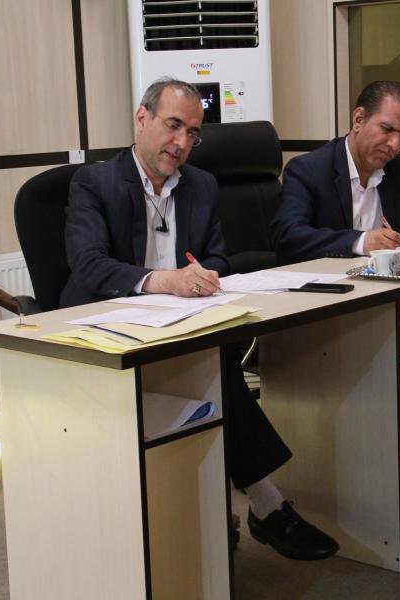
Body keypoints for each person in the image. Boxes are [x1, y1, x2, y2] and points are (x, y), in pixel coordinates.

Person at [60, 77, 339, 560]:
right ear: (142, 118)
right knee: (217, 367)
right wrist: (164, 281)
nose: (181, 142)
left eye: (192, 133)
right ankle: (266, 505)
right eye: (173, 126)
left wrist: (207, 275)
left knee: (215, 357)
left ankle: (231, 505)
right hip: (108, 325)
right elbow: (88, 265)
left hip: (179, 323)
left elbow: (218, 257)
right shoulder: (94, 182)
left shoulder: (202, 185)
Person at [271, 80, 400, 463]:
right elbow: (288, 236)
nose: (395, 144)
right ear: (358, 119)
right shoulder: (309, 169)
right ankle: (390, 444)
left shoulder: (395, 169)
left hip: (384, 293)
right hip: (328, 303)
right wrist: (359, 241)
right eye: (387, 129)